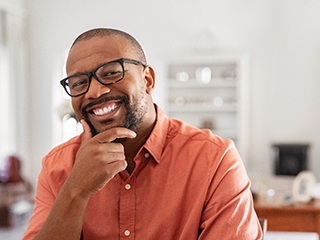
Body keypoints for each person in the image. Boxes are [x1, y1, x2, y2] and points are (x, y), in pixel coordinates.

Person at [23, 28, 262, 239]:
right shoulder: (57, 167)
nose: (94, 92)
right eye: (78, 83)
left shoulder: (215, 160)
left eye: (110, 73)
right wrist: (75, 192)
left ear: (147, 80)